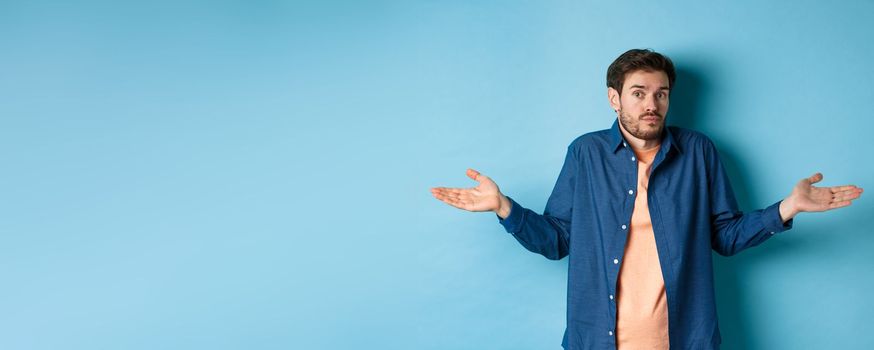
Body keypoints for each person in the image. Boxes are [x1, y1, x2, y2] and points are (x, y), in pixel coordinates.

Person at [429, 49, 863, 350]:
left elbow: (725, 236)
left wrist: (788, 208)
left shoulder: (699, 152)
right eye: (639, 93)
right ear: (615, 98)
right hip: (597, 339)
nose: (651, 104)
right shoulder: (585, 153)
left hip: (684, 337)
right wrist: (504, 208)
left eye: (661, 93)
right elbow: (557, 240)